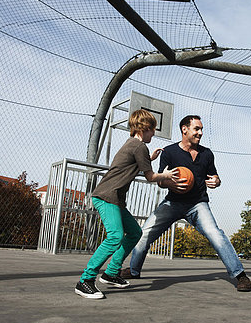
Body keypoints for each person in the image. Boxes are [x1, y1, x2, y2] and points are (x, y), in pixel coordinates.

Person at [120, 115, 251, 292]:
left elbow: (214, 176)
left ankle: (240, 275)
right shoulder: (169, 152)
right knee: (144, 233)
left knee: (215, 234)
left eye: (201, 129)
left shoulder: (207, 154)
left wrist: (216, 181)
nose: (200, 133)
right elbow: (160, 180)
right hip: (173, 202)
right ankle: (134, 270)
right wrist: (170, 182)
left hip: (198, 204)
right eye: (197, 129)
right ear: (185, 129)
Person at [75, 109, 179, 300]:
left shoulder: (133, 144)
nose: (154, 133)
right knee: (115, 236)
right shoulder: (139, 147)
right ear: (145, 128)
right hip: (108, 196)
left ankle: (111, 273)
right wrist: (166, 175)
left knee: (134, 233)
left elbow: (135, 163)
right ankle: (85, 280)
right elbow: (150, 177)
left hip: (114, 198)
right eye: (152, 129)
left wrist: (150, 159)